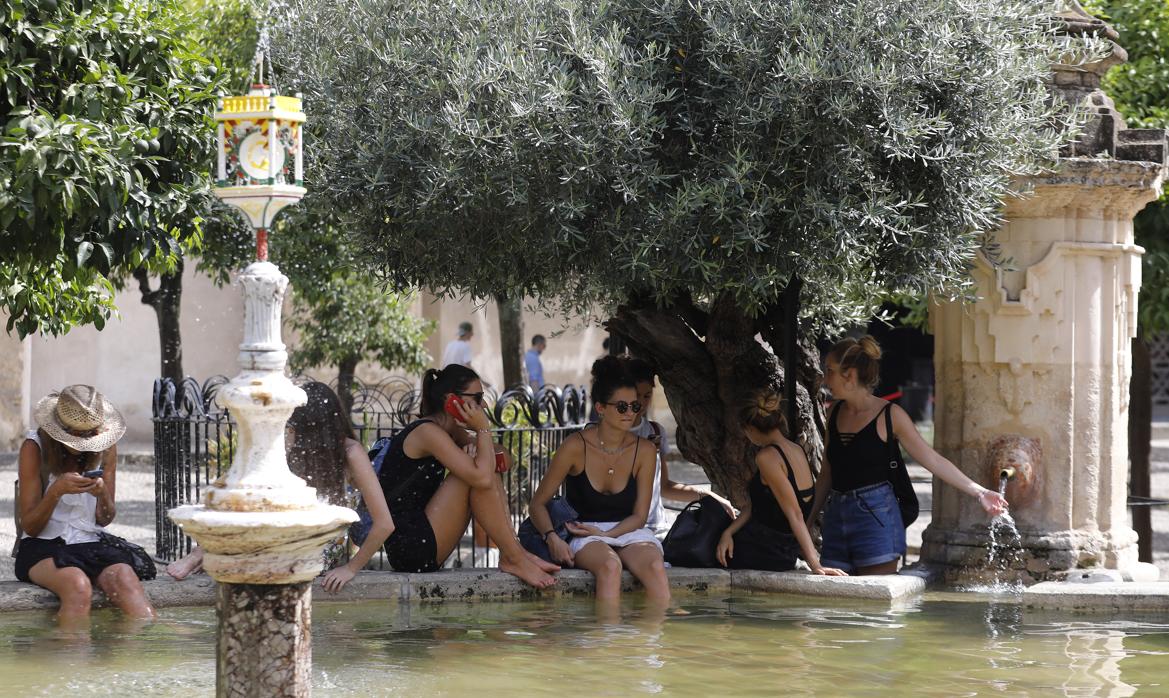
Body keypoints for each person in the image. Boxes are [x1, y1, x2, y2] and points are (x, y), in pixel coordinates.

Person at [167, 382, 396, 593]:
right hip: (287, 539)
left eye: (295, 424)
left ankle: (202, 555)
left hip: (319, 549)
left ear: (312, 426)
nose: (289, 429)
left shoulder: (351, 453)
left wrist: (351, 569)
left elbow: (384, 523)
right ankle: (202, 553)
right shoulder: (297, 450)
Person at [808, 335, 1008, 575]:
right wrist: (804, 523)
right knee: (833, 602)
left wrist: (980, 492)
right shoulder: (834, 413)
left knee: (877, 604)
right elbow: (827, 474)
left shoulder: (891, 415)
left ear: (849, 375)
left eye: (830, 371)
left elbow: (932, 459)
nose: (825, 378)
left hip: (877, 517)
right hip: (836, 516)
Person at [377, 364, 558, 587]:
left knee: (480, 471)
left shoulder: (451, 431)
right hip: (410, 547)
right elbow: (481, 478)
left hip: (426, 537)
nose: (482, 405)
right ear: (451, 400)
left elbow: (504, 460)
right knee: (474, 476)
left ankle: (515, 554)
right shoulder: (427, 432)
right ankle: (515, 557)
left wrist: (481, 454)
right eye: (477, 397)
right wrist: (482, 432)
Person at [529, 357, 669, 609]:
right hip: (583, 531)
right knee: (609, 566)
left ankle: (650, 645)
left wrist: (607, 535)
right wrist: (552, 537)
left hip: (627, 529)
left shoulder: (645, 450)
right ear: (601, 408)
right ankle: (604, 644)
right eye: (622, 406)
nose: (631, 413)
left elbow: (639, 516)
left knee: (655, 567)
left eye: (635, 406)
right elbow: (537, 504)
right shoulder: (575, 446)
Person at [16, 385, 155, 626]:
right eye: (77, 435)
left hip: (89, 542)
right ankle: (73, 660)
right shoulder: (34, 447)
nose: (84, 442)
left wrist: (102, 494)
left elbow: (105, 518)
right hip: (42, 546)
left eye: (89, 434)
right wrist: (55, 492)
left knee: (125, 580)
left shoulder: (105, 445)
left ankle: (136, 655)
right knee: (77, 586)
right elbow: (30, 525)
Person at [715, 390, 847, 575]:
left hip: (766, 551)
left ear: (751, 429)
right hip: (777, 548)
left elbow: (795, 514)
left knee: (697, 547)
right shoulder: (796, 448)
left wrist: (815, 564)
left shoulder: (768, 457)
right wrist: (728, 532)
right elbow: (757, 507)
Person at [624, 358, 735, 536]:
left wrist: (708, 496)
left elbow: (664, 486)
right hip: (621, 526)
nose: (642, 403)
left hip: (655, 527)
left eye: (647, 395)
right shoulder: (603, 433)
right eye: (637, 395)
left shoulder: (655, 430)